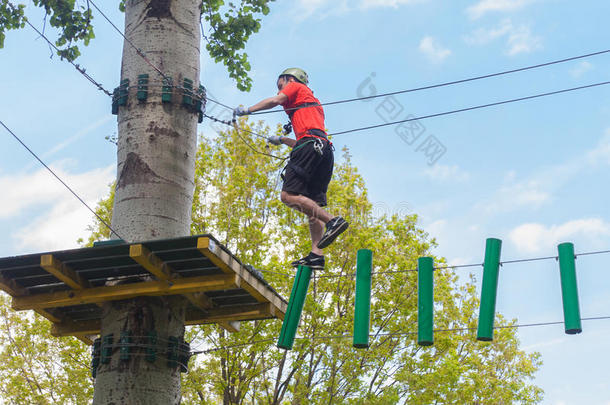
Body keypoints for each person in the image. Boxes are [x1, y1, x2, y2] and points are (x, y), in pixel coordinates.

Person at [234, 68, 348, 269]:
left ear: (290, 79)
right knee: (312, 206)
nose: (280, 91)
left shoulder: (296, 86)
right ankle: (316, 255)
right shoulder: (312, 105)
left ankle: (333, 221)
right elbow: (307, 141)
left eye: (281, 85)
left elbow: (275, 101)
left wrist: (248, 111)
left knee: (288, 196)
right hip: (323, 150)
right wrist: (282, 140)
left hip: (311, 146)